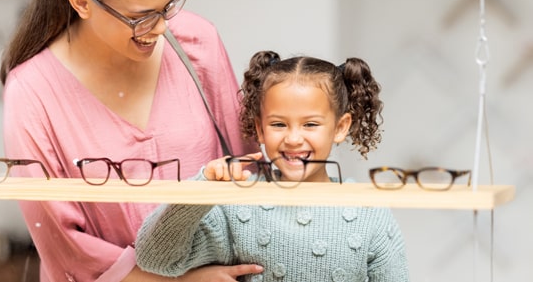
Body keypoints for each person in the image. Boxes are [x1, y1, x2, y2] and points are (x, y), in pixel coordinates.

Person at [0, 0, 262, 281]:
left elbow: (246, 168)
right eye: (140, 17)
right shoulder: (32, 90)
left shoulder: (197, 42)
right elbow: (62, 244)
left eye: (168, 5)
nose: (161, 28)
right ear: (81, 3)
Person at [135, 51, 411, 282]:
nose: (292, 139)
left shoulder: (369, 213)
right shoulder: (237, 205)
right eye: (278, 124)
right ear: (260, 128)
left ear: (340, 127)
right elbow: (155, 259)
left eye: (310, 124)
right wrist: (201, 189)